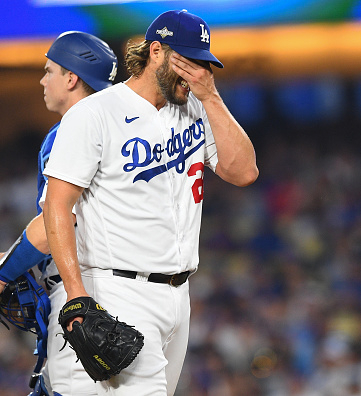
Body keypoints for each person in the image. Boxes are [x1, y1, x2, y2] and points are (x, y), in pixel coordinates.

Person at [42, 9, 258, 396]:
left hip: (179, 296)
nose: (198, 74)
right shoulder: (96, 113)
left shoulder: (197, 107)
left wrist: (211, 96)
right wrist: (76, 293)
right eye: (188, 62)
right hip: (119, 289)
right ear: (155, 51)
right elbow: (57, 206)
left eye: (204, 64)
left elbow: (243, 172)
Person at [0, 31, 118, 395]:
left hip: (83, 292)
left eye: (50, 71)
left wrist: (0, 276)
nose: (42, 80)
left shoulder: (69, 133)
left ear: (72, 78)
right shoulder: (126, 130)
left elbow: (53, 226)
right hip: (129, 290)